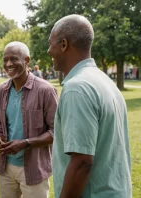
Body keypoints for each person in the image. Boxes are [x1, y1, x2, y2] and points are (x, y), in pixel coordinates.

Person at [48, 14, 132, 198]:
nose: (48, 51)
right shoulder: (104, 81)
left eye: (51, 43)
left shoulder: (76, 88)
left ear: (64, 44)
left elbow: (82, 163)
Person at [0, 41, 58, 198]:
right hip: (6, 167)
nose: (8, 64)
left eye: (14, 59)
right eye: (5, 60)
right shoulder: (1, 90)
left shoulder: (46, 91)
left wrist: (25, 143)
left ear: (27, 60)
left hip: (34, 168)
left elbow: (57, 132)